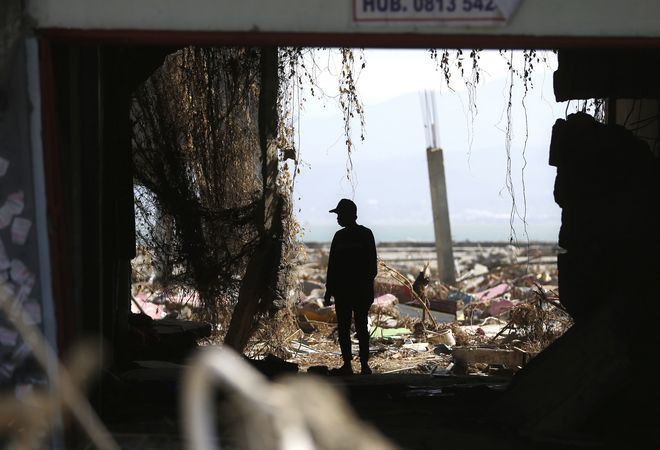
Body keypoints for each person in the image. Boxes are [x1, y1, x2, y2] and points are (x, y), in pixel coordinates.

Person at [324, 198, 378, 375]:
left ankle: (357, 364)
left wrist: (330, 290)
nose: (337, 218)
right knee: (357, 327)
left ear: (349, 215)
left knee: (351, 327)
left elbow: (371, 268)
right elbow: (333, 267)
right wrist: (329, 290)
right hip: (354, 292)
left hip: (349, 292)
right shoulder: (361, 234)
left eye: (340, 214)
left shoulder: (345, 237)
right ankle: (358, 365)